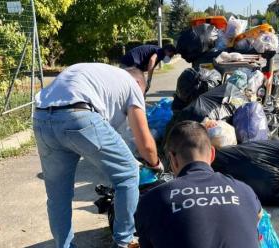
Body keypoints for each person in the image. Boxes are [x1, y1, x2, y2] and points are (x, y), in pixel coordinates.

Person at [33, 63, 163, 248]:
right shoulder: (132, 85)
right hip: (79, 114)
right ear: (138, 82)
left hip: (41, 118)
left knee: (58, 196)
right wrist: (156, 164)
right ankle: (124, 243)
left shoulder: (101, 75)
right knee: (128, 173)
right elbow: (145, 142)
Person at [135, 121, 262, 248]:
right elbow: (256, 225)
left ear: (172, 159)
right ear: (212, 154)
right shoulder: (245, 191)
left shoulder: (151, 201)